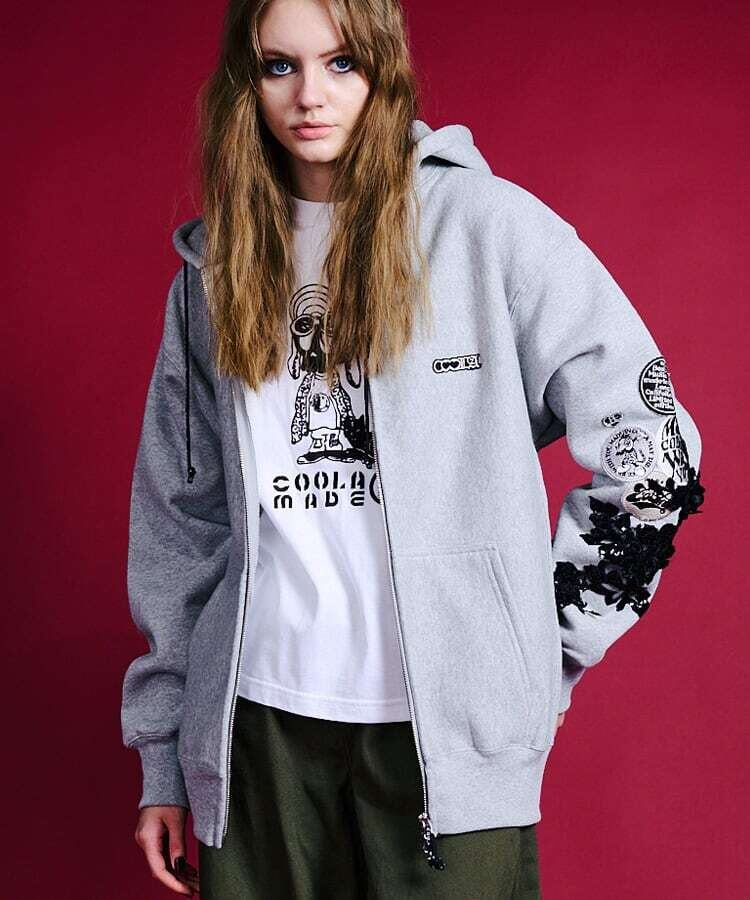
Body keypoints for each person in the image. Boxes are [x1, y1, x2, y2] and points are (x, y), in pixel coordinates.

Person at [120, 0, 706, 897]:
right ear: (245, 83)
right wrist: (165, 755)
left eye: (341, 62)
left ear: (384, 68)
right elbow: (179, 521)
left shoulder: (486, 228)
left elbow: (657, 449)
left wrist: (544, 647)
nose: (310, 95)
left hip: (451, 737)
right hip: (254, 735)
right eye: (279, 65)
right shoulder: (216, 271)